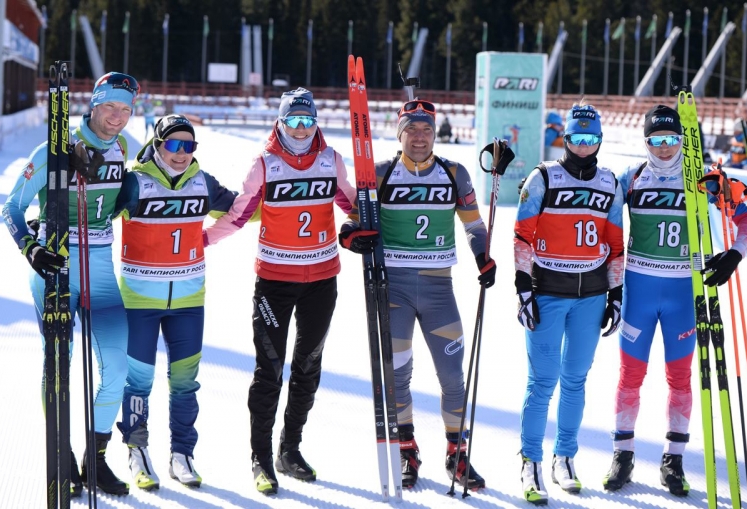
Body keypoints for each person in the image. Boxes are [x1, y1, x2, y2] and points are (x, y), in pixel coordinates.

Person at [203, 88, 357, 495]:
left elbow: (353, 205)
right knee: (269, 369)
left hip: (322, 280)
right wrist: (199, 241)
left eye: (308, 121)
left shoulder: (331, 160)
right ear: (280, 122)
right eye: (294, 121)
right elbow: (238, 215)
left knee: (308, 365)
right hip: (275, 281)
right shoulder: (264, 164)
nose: (301, 129)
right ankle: (260, 458)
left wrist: (359, 229)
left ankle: (290, 449)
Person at [339, 98, 496, 491]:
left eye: (427, 129)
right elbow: (353, 222)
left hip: (439, 289)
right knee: (397, 375)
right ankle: (407, 450)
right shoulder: (380, 173)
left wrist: (483, 258)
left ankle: (457, 454)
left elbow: (474, 225)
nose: (420, 137)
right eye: (412, 129)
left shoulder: (454, 173)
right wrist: (351, 237)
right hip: (393, 289)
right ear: (400, 134)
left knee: (452, 375)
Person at [603, 105, 747, 496]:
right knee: (630, 376)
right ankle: (623, 454)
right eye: (656, 140)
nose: (665, 147)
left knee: (681, 379)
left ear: (682, 140)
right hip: (638, 292)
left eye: (672, 139)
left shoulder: (703, 178)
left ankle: (673, 460)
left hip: (683, 296)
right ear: (645, 141)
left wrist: (734, 255)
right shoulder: (631, 177)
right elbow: (599, 217)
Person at [2, 72, 140, 497]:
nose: (117, 116)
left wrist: (127, 198)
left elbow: (110, 204)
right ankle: (59, 454)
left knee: (117, 367)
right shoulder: (52, 148)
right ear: (93, 104)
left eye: (125, 109)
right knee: (58, 364)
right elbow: (12, 207)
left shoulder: (122, 147)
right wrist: (31, 248)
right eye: (110, 106)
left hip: (100, 266)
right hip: (56, 264)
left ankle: (94, 460)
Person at [113, 114, 239, 490]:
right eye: (174, 144)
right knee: (138, 381)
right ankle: (137, 451)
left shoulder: (202, 182)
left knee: (184, 383)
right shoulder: (134, 182)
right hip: (139, 301)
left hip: (188, 301)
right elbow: (96, 213)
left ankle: (182, 454)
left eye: (189, 145)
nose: (182, 153)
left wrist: (209, 237)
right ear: (158, 145)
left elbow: (243, 210)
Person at [513, 103, 625, 505]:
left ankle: (565, 457)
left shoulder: (610, 182)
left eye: (591, 138)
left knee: (575, 380)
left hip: (591, 296)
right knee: (542, 381)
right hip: (548, 292)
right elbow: (522, 235)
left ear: (600, 140)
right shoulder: (543, 177)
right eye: (576, 138)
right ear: (565, 138)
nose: (583, 146)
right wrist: (523, 288)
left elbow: (615, 245)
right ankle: (530, 461)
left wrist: (616, 294)